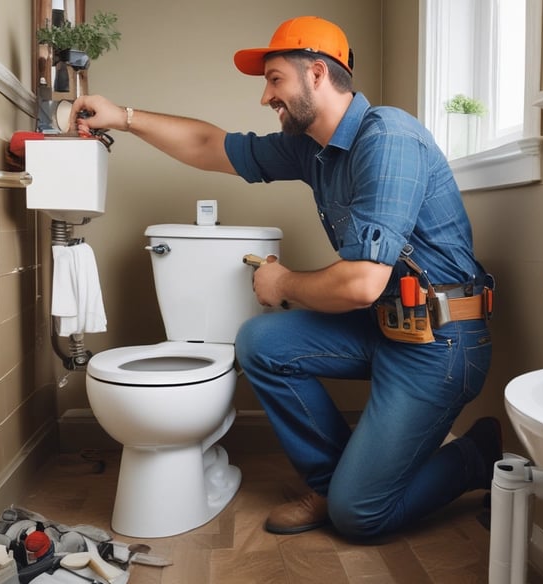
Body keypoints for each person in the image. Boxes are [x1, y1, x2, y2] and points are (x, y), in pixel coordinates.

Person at [70, 15, 501, 540]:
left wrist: (284, 283)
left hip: (440, 342)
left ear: (317, 73)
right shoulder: (313, 149)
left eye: (275, 80)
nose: (265, 96)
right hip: (384, 326)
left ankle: (476, 456)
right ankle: (332, 482)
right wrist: (124, 116)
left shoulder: (387, 137)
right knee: (261, 340)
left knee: (361, 517)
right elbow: (211, 146)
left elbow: (362, 283)